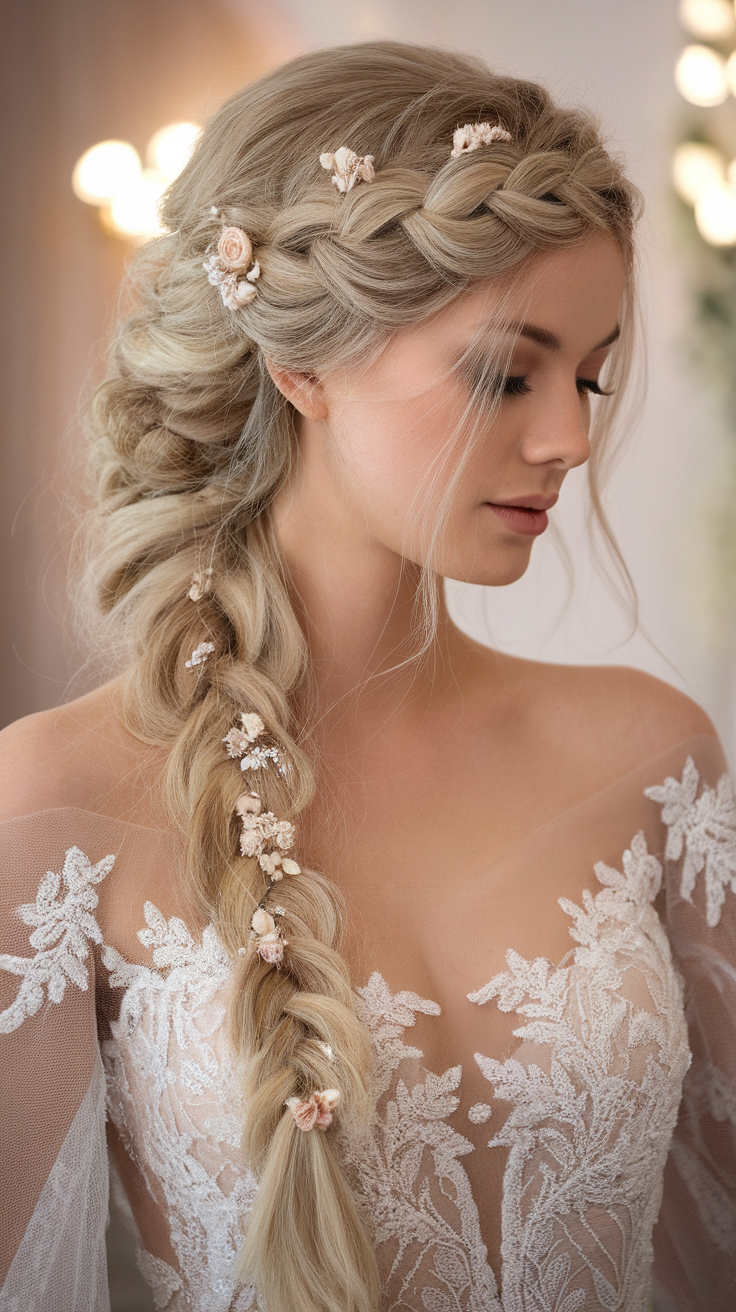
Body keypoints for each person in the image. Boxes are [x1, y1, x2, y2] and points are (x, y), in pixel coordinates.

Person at [0, 39, 734, 1312]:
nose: (567, 437)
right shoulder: (57, 805)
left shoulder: (651, 759)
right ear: (301, 367)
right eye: (506, 371)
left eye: (590, 374)